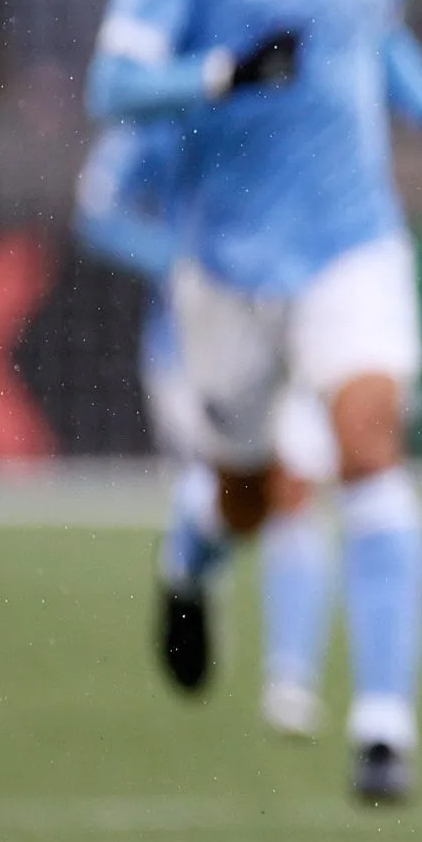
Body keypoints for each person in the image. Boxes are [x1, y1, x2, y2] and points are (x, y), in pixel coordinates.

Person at [85, 0, 422, 804]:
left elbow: (376, 32)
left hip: (351, 238)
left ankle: (383, 728)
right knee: (248, 492)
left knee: (366, 438)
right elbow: (111, 86)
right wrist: (216, 76)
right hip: (226, 259)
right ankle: (190, 559)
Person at [73, 123, 341, 739]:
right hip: (195, 344)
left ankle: (291, 681)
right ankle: (189, 565)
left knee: (296, 482)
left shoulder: (304, 87)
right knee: (231, 492)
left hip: (293, 330)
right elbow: (97, 211)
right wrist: (186, 260)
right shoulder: (177, 99)